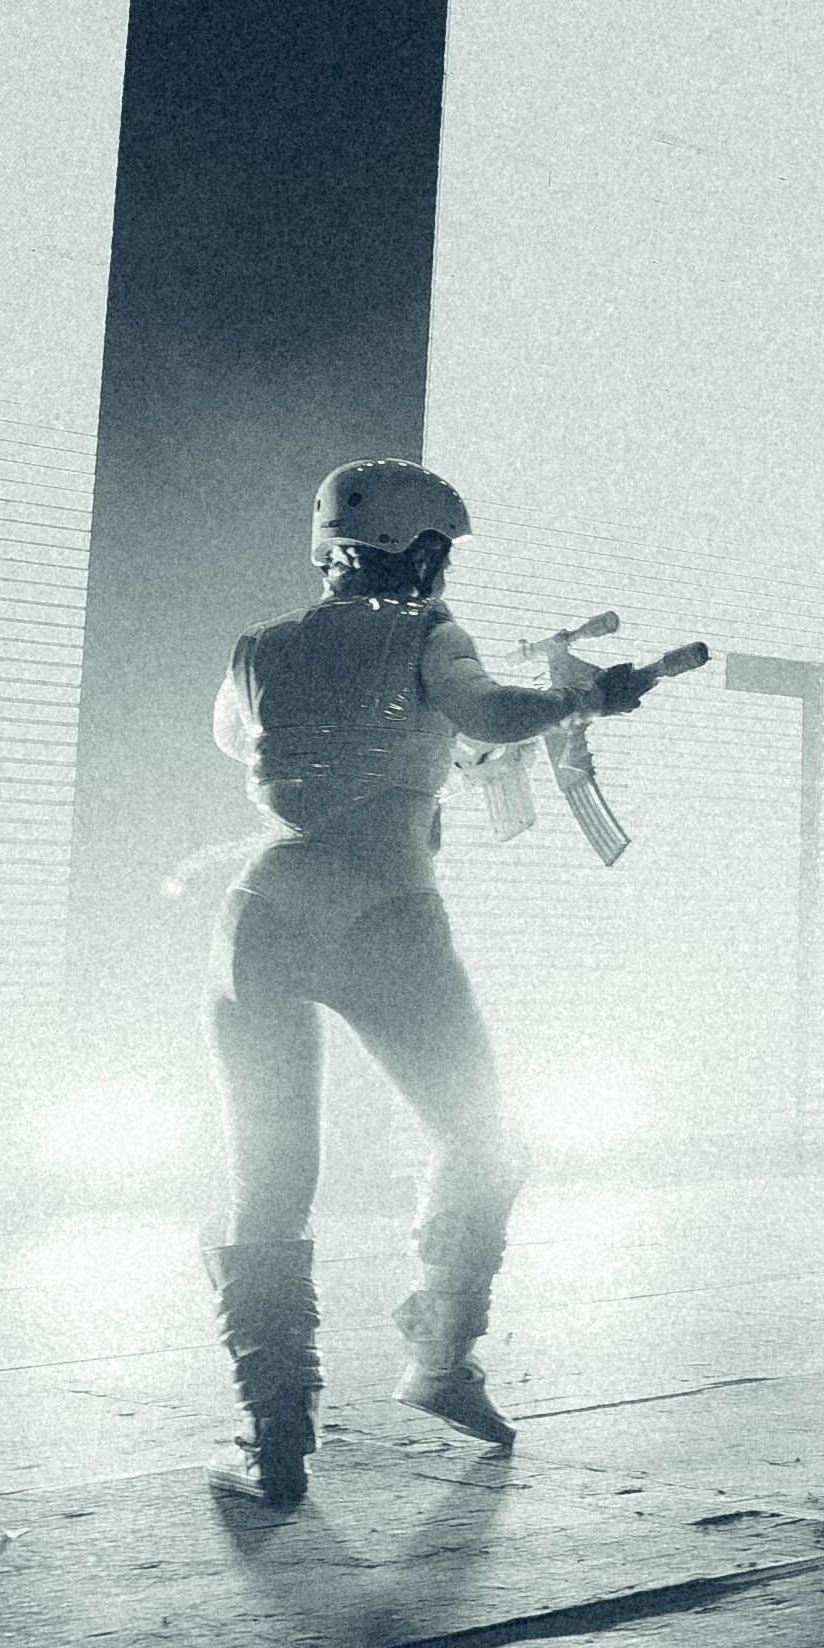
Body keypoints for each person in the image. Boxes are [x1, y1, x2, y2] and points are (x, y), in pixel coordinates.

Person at [195, 460, 684, 1506]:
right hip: (387, 918)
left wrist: (407, 745)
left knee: (269, 1181)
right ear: (420, 550)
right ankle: (441, 1346)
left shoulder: (258, 649)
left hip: (265, 915)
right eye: (443, 550)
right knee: (483, 1133)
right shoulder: (427, 636)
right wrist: (582, 693)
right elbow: (491, 710)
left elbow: (250, 745)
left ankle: (270, 1433)